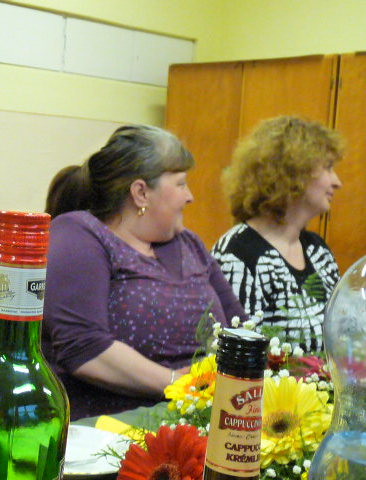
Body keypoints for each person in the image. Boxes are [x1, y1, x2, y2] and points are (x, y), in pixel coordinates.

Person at [42, 125, 246, 420]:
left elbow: (241, 328)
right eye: (180, 184)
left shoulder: (189, 243)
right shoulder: (79, 234)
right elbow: (85, 349)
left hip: (206, 415)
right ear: (140, 192)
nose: (189, 197)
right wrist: (184, 386)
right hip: (112, 426)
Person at [211, 115, 344, 352]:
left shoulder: (317, 249)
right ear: (294, 173)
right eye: (328, 168)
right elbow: (235, 356)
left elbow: (343, 335)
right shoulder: (237, 254)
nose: (337, 182)